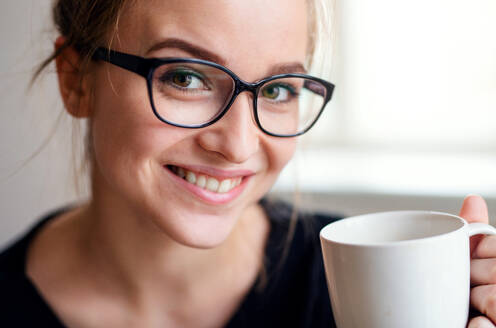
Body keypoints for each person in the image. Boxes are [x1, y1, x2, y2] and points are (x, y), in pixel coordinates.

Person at [0, 1, 495, 327]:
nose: (238, 145)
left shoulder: (356, 290)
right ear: (75, 81)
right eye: (186, 77)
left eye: (278, 90)